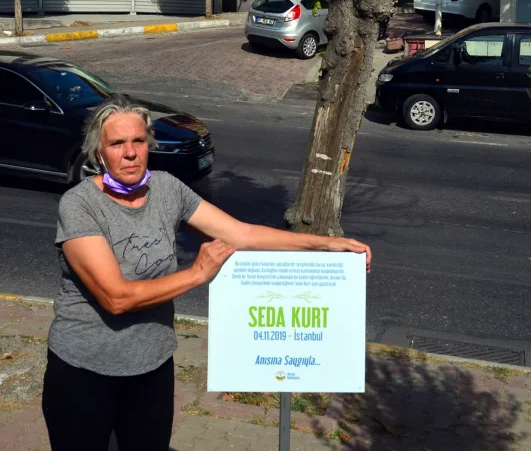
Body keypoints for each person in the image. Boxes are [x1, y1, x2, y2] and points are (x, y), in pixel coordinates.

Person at [42, 95, 371, 451]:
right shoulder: (79, 205)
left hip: (152, 365)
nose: (130, 152)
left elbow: (240, 233)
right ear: (99, 152)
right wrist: (197, 274)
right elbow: (116, 297)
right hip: (84, 371)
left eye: (138, 141)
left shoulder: (167, 189)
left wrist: (323, 244)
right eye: (117, 143)